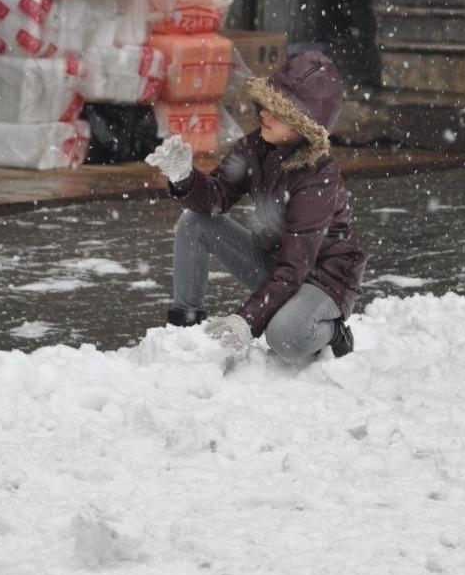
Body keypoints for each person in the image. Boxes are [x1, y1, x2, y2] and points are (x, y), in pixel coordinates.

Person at [145, 50, 366, 362]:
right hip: (277, 261)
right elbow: (216, 197)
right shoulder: (257, 146)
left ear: (305, 126)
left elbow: (295, 268)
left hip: (324, 279)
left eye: (280, 111)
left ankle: (334, 333)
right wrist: (184, 177)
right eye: (267, 103)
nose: (265, 113)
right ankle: (185, 326)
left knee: (284, 337)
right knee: (195, 223)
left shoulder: (318, 179)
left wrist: (245, 321)